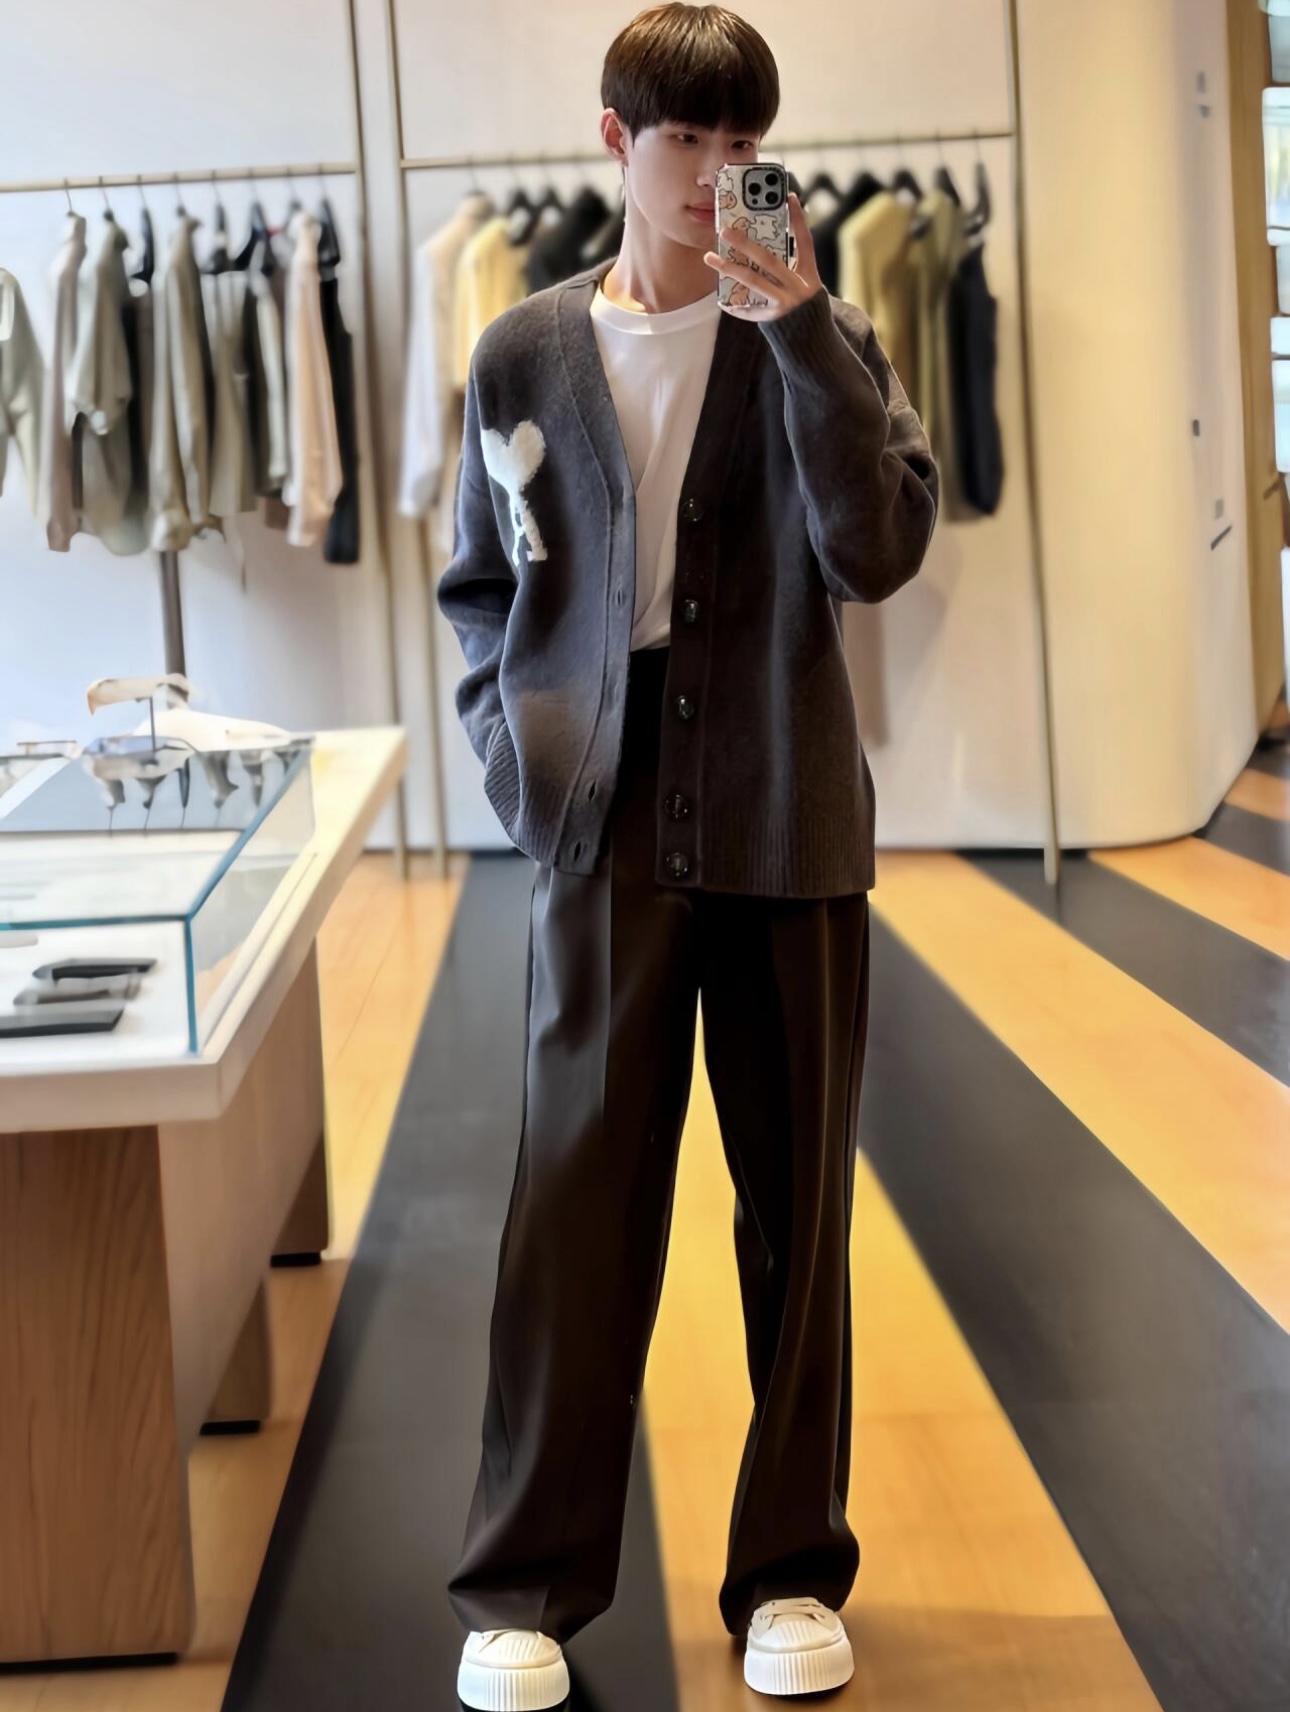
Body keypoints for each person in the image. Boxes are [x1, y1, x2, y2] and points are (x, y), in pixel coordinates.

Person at [436, 5, 938, 1705]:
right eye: (687, 141)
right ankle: (524, 1583)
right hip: (597, 804)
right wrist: (518, 759)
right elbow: (480, 591)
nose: (719, 175)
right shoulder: (522, 353)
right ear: (615, 142)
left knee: (795, 1202)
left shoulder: (830, 333)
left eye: (745, 146)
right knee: (574, 1200)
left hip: (785, 797)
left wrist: (802, 341)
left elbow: (876, 553)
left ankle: (789, 1571)